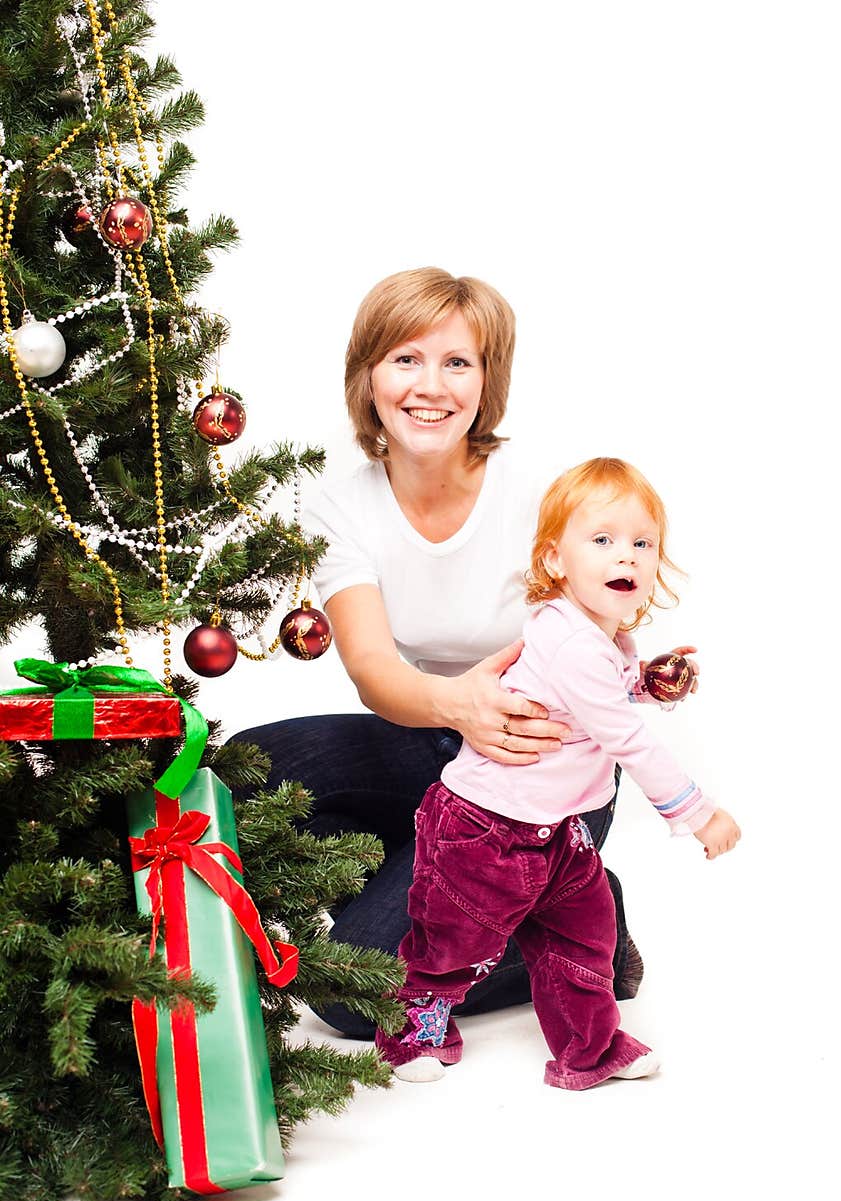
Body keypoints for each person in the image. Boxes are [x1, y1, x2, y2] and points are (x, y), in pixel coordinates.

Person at [229, 267, 642, 1037]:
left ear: (489, 381)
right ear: (369, 377)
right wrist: (459, 704)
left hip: (535, 772)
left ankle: (584, 922)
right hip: (432, 741)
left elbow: (606, 643)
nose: (431, 385)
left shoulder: (542, 501)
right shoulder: (339, 506)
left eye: (458, 362)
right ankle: (443, 888)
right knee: (244, 772)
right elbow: (373, 670)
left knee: (355, 995)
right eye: (405, 359)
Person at [376, 456, 741, 1087]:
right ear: (554, 561)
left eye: (641, 543)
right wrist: (697, 813)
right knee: (454, 939)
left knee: (584, 939)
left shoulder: (602, 639)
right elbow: (622, 735)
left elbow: (606, 699)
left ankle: (589, 1047)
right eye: (602, 540)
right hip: (484, 830)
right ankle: (416, 1020)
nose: (624, 557)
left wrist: (649, 682)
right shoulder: (573, 643)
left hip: (556, 831)